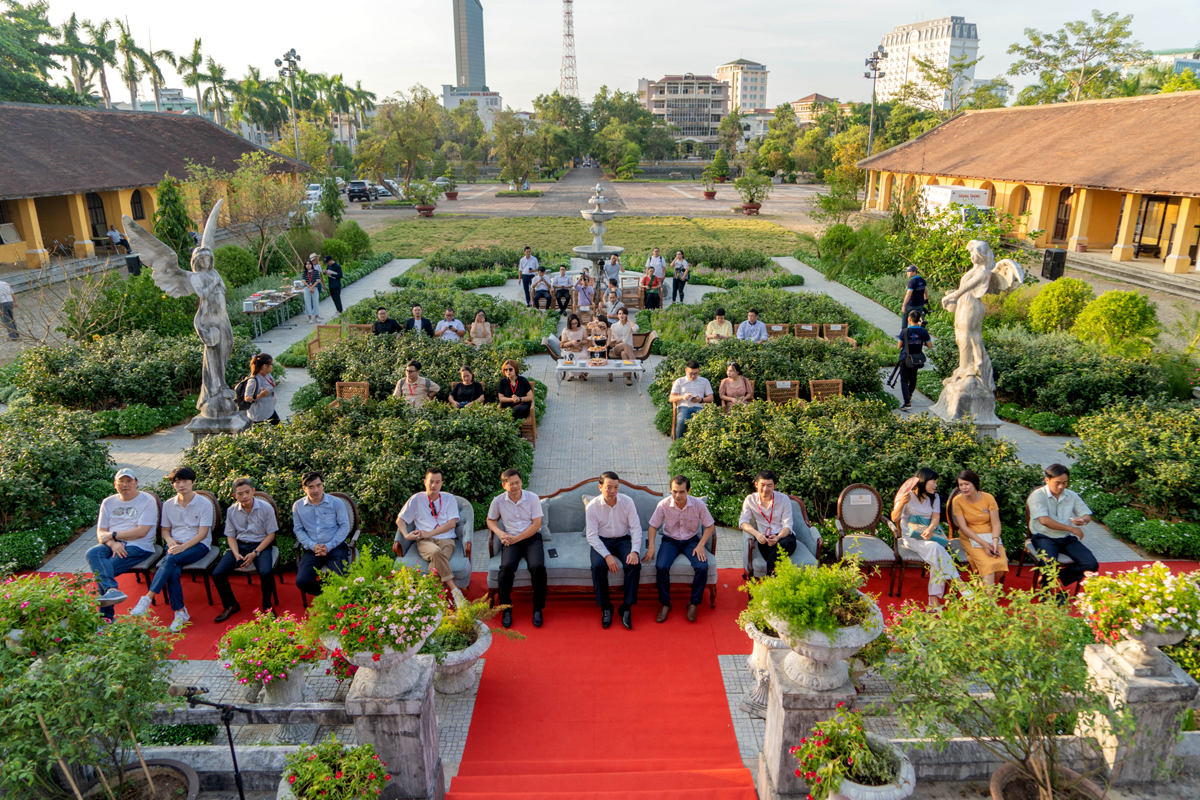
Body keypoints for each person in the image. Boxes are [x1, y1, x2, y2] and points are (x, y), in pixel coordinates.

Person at [127, 467, 213, 632]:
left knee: (171, 559)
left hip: (197, 545)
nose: (181, 485)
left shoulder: (204, 503)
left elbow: (203, 533)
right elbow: (165, 530)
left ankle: (147, 598)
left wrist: (183, 547)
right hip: (175, 544)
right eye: (177, 482)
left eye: (185, 481)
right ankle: (180, 612)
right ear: (173, 484)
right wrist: (171, 542)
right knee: (173, 571)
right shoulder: (168, 505)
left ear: (193, 482)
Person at [86, 468, 158, 621]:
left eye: (129, 481)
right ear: (115, 484)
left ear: (136, 483)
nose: (125, 484)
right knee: (92, 553)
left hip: (139, 545)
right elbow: (101, 534)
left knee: (104, 570)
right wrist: (112, 544)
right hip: (113, 544)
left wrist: (113, 535)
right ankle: (112, 590)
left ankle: (105, 618)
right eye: (121, 481)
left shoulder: (147, 500)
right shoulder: (108, 502)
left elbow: (142, 532)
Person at [647, 475, 714, 623]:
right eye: (674, 491)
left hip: (691, 540)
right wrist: (651, 547)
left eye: (681, 492)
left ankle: (693, 603)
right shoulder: (663, 504)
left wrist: (701, 544)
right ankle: (665, 604)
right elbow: (653, 526)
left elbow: (709, 525)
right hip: (670, 540)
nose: (677, 495)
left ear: (689, 491)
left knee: (702, 567)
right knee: (661, 566)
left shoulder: (698, 505)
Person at [892, 468, 962, 609]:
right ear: (924, 481)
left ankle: (934, 601)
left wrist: (930, 529)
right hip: (911, 537)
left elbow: (935, 517)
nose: (936, 485)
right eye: (933, 481)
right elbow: (894, 517)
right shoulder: (907, 495)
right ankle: (956, 579)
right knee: (937, 549)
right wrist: (901, 504)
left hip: (929, 534)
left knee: (936, 558)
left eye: (936, 481)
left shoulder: (934, 497)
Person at [212, 477, 279, 621]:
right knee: (217, 573)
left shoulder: (266, 508)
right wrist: (236, 554)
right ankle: (231, 604)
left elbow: (271, 534)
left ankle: (267, 604)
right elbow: (230, 536)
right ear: (235, 495)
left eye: (247, 492)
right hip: (240, 545)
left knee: (266, 572)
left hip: (261, 545)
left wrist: (255, 553)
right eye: (240, 494)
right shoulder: (231, 511)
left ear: (253, 491)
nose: (244, 496)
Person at [486, 469, 546, 628]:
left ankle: (538, 608)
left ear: (521, 482)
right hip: (510, 539)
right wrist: (499, 533)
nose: (515, 486)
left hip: (531, 538)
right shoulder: (498, 501)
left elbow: (537, 525)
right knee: (506, 568)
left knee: (538, 567)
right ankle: (506, 608)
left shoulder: (532, 498)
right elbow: (490, 520)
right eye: (511, 484)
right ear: (504, 485)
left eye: (517, 482)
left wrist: (516, 539)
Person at [1027, 464, 1099, 594]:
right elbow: (1044, 521)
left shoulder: (1071, 495)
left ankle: (1051, 578)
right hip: (1043, 536)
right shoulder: (1037, 495)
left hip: (1065, 537)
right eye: (1057, 483)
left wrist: (1083, 520)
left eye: (1065, 483)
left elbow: (1086, 515)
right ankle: (1047, 588)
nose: (1061, 487)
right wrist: (1071, 528)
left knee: (1091, 565)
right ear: (1047, 480)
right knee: (1049, 563)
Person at [586, 472, 643, 630]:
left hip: (622, 539)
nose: (613, 491)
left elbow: (636, 528)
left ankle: (626, 607)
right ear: (600, 487)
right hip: (601, 541)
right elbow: (591, 536)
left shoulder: (627, 502)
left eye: (616, 487)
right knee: (598, 567)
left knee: (634, 564)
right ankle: (606, 607)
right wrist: (607, 556)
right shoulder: (593, 506)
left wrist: (635, 551)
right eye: (608, 487)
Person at [393, 468, 461, 600]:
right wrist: (406, 535)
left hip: (447, 539)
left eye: (437, 482)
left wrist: (429, 533)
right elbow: (400, 519)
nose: (434, 485)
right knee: (436, 552)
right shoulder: (417, 499)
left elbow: (452, 523)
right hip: (425, 541)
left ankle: (430, 599)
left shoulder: (449, 498)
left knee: (436, 567)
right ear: (425, 482)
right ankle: (454, 589)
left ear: (441, 483)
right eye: (431, 482)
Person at [292, 471, 351, 598]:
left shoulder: (336, 503)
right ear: (304, 489)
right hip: (312, 550)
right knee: (302, 581)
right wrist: (312, 546)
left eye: (319, 485)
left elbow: (344, 526)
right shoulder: (298, 506)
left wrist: (329, 546)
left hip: (335, 547)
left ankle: (335, 595)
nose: (316, 490)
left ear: (322, 485)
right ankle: (327, 595)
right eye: (311, 487)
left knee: (341, 577)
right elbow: (298, 529)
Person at [949, 469, 1008, 585]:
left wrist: (995, 541)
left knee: (1002, 566)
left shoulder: (988, 498)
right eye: (961, 485)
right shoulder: (957, 501)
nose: (964, 488)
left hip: (990, 535)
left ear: (974, 484)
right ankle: (989, 600)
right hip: (970, 536)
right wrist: (983, 543)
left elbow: (996, 523)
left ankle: (980, 585)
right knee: (988, 565)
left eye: (967, 484)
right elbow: (963, 527)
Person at [739, 471, 797, 575]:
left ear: (775, 486)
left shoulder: (784, 499)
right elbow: (743, 522)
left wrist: (778, 537)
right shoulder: (750, 499)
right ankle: (777, 585)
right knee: (774, 557)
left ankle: (770, 585)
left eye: (769, 486)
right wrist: (756, 534)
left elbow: (788, 525)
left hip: (784, 536)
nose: (765, 489)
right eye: (762, 485)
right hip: (764, 538)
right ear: (756, 484)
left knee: (779, 550)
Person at [669, 360, 714, 439]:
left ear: (699, 371)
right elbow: (671, 398)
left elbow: (711, 398)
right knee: (681, 421)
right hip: (684, 407)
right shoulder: (679, 381)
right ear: (686, 370)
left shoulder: (704, 381)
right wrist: (682, 397)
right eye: (691, 373)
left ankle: (699, 443)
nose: (693, 376)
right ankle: (679, 443)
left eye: (695, 373)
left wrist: (701, 400)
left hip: (699, 407)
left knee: (704, 421)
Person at [897, 309, 932, 411]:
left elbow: (899, 346)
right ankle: (910, 396)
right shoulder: (923, 331)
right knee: (913, 379)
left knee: (904, 380)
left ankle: (907, 402)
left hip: (905, 358)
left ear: (909, 319)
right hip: (916, 360)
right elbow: (930, 346)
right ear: (919, 319)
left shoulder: (904, 331)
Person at [243, 352, 279, 425]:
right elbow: (246, 398)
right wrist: (260, 396)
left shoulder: (267, 375)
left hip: (269, 410)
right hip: (259, 416)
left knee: (280, 430)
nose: (272, 366)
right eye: (271, 364)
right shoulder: (253, 380)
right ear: (265, 366)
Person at [901, 265, 927, 336]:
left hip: (911, 304)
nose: (907, 273)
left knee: (905, 318)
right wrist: (925, 300)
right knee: (917, 319)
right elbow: (925, 291)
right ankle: (917, 334)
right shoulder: (922, 280)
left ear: (914, 272)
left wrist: (903, 305)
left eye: (909, 272)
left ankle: (903, 334)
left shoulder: (912, 282)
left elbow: (908, 294)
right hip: (920, 304)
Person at [302, 255, 323, 324]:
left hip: (315, 288)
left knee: (315, 302)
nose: (308, 266)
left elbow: (317, 280)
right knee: (308, 303)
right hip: (307, 289)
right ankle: (310, 318)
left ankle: (316, 317)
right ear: (305, 266)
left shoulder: (316, 272)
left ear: (311, 265)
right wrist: (310, 287)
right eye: (306, 264)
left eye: (309, 264)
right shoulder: (304, 273)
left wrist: (312, 287)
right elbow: (304, 281)